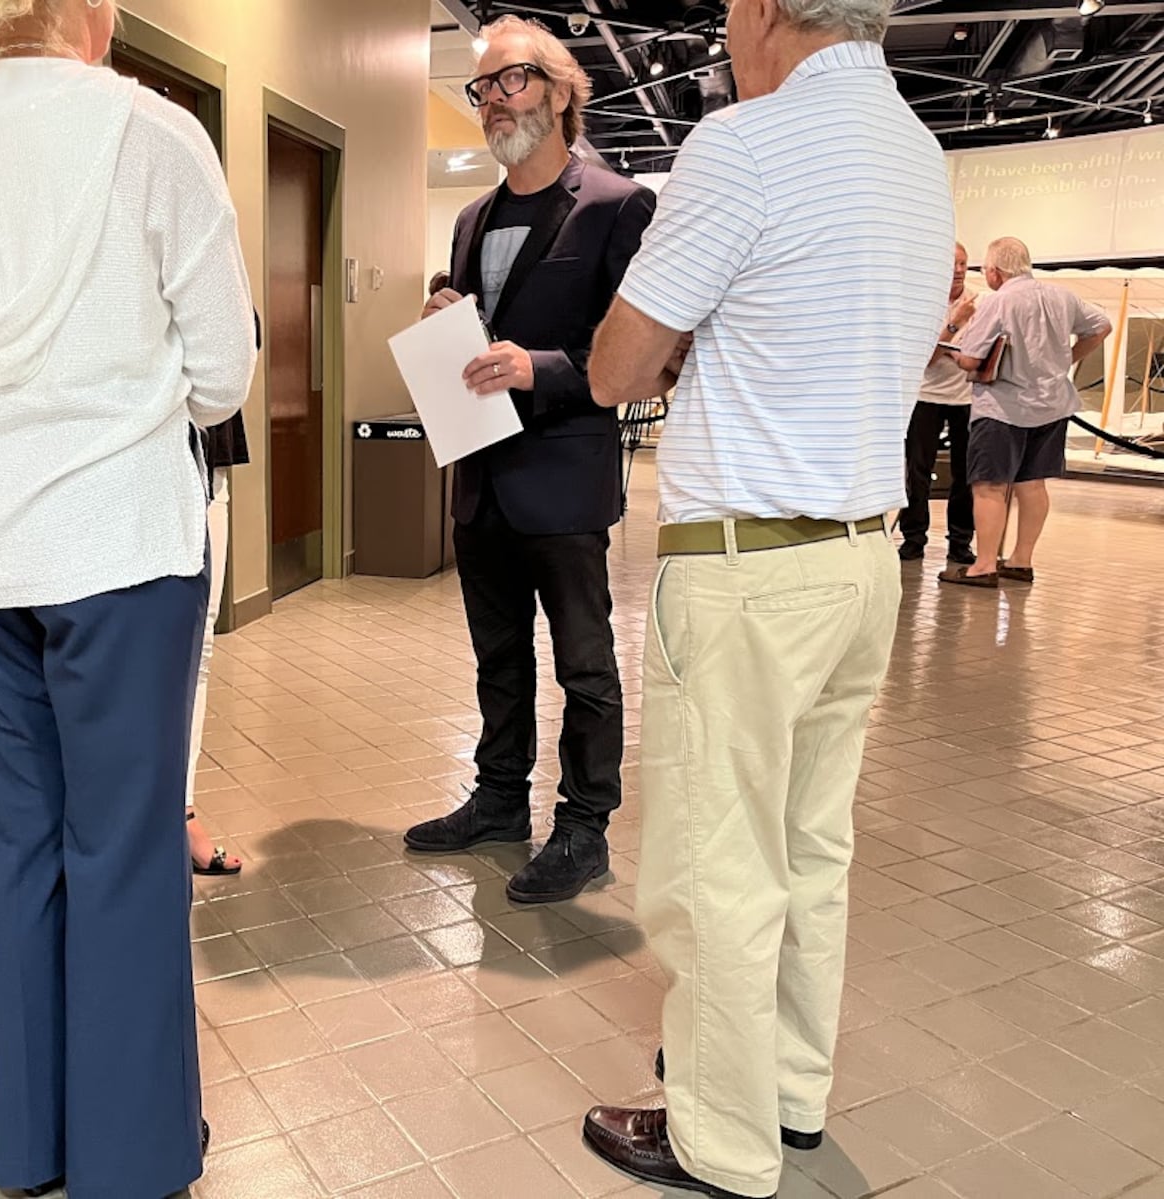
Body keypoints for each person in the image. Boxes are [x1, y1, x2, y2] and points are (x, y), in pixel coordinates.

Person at [0, 0, 255, 1191]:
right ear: (88, 10)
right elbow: (224, 369)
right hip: (123, 541)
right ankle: (130, 1154)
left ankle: (27, 1145)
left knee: (20, 839)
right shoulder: (149, 128)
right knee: (124, 841)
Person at [580, 0, 954, 1194]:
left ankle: (718, 1137)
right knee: (809, 846)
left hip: (749, 564)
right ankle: (788, 1089)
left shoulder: (744, 142)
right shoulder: (914, 150)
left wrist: (689, 343)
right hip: (860, 556)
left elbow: (614, 366)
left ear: (769, 10)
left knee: (718, 866)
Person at [402, 15, 655, 905]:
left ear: (560, 89)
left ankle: (584, 826)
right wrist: (447, 316)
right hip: (481, 476)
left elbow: (641, 362)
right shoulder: (472, 217)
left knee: (585, 664)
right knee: (496, 657)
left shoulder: (618, 205)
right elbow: (474, 332)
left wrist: (535, 366)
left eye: (510, 81)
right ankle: (500, 798)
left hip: (564, 481)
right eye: (482, 88)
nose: (493, 102)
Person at [941, 236, 1111, 589]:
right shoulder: (1063, 296)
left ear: (995, 272)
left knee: (989, 485)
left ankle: (984, 565)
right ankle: (1021, 561)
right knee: (1032, 484)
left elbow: (972, 359)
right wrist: (1069, 359)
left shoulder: (998, 302)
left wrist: (951, 353)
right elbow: (1101, 326)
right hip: (1052, 405)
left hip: (1003, 408)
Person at [186, 313, 259, 879]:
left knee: (197, 653)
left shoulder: (212, 224)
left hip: (204, 462)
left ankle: (178, 811)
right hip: (121, 462)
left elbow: (237, 336)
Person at [898, 242, 978, 564]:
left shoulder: (978, 302)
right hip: (925, 396)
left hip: (966, 398)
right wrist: (954, 326)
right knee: (918, 471)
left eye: (964, 263)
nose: (958, 270)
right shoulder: (922, 302)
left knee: (966, 473)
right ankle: (913, 537)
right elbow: (925, 359)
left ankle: (960, 541)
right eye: (953, 263)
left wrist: (945, 342)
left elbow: (977, 354)